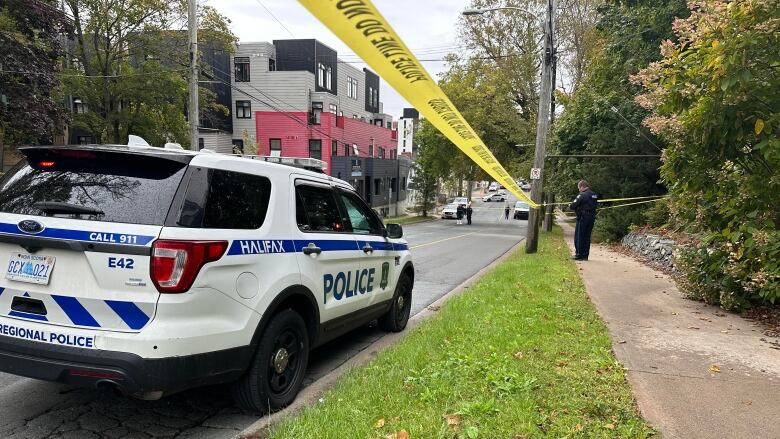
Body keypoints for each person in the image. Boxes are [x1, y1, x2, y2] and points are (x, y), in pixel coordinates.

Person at [569, 180, 598, 261]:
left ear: (582, 187)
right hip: (591, 217)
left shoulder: (582, 195)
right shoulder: (594, 195)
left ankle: (579, 255)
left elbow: (572, 206)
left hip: (583, 217)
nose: (579, 190)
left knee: (579, 236)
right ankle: (585, 255)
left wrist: (573, 206)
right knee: (587, 236)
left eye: (579, 188)